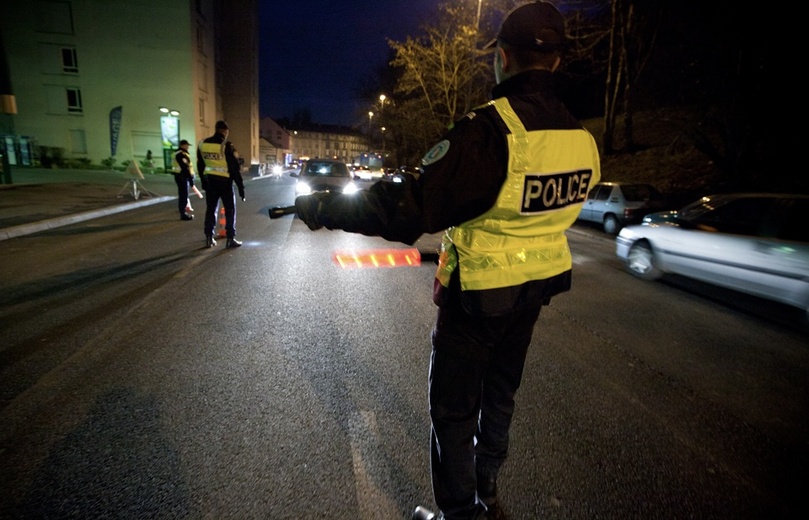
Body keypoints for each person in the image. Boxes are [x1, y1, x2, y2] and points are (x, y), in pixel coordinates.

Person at [291, 2, 600, 519]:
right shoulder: (581, 139)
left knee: (454, 410)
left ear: (503, 58)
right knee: (501, 395)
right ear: (556, 63)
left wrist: (323, 206)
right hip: (534, 293)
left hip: (478, 298)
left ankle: (459, 513)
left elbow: (407, 206)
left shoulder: (489, 132)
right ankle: (488, 491)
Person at [196, 120, 245, 248]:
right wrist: (240, 187)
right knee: (229, 210)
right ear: (224, 131)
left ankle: (208, 237)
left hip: (211, 182)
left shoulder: (203, 144)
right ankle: (230, 238)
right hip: (225, 183)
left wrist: (203, 181)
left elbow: (200, 165)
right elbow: (234, 168)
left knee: (211, 210)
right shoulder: (226, 146)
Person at [172, 139, 195, 221]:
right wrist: (190, 178)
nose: (188, 147)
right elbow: (185, 167)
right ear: (182, 145)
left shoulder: (178, 153)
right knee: (183, 196)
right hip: (182, 177)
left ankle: (183, 212)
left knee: (183, 195)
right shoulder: (181, 154)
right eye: (186, 145)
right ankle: (183, 214)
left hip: (180, 176)